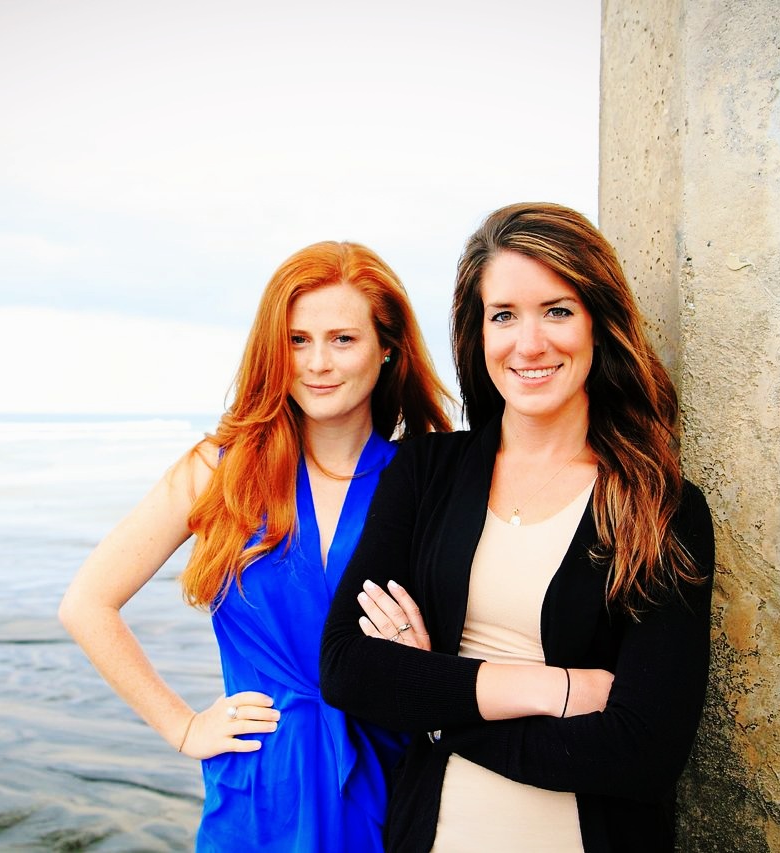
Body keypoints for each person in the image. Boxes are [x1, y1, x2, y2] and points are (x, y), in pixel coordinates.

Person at [320, 203, 715, 852]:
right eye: (504, 315)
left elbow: (643, 750)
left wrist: (437, 704)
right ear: (479, 333)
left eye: (556, 310)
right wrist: (551, 687)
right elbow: (347, 667)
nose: (529, 343)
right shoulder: (426, 471)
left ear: (598, 322)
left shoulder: (660, 506)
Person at [59, 241, 451, 851]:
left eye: (343, 339)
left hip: (389, 778)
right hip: (262, 788)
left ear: (388, 347)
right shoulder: (220, 470)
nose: (318, 363)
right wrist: (184, 727)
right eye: (297, 340)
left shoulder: (424, 481)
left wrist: (424, 665)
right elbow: (86, 604)